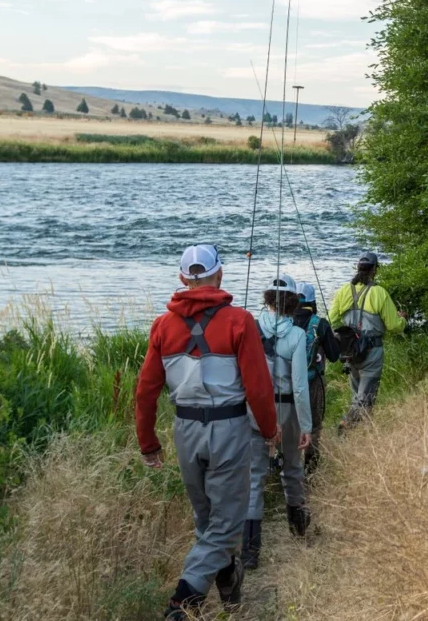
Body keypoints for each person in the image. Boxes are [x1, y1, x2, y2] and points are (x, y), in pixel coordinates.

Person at [135, 244, 279, 621]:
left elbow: (145, 391)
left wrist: (149, 444)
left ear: (183, 279)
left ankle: (229, 580)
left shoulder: (162, 326)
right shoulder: (238, 321)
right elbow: (259, 387)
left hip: (185, 430)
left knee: (206, 521)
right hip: (229, 428)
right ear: (219, 274)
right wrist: (269, 429)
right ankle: (183, 603)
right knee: (225, 523)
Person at [243, 274, 313, 570]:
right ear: (293, 301)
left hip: (254, 410)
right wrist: (306, 425)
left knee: (255, 477)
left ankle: (250, 553)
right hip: (286, 408)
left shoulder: (250, 327)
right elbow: (299, 386)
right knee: (293, 467)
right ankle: (297, 530)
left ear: (267, 298)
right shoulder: (296, 335)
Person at [329, 252, 406, 431]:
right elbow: (394, 326)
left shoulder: (343, 291)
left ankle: (363, 434)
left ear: (358, 268)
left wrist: (346, 333)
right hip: (372, 351)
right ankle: (345, 425)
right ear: (374, 270)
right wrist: (402, 320)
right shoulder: (379, 293)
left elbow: (332, 319)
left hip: (350, 351)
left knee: (357, 395)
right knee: (366, 398)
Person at [293, 281, 340, 472]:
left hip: (287, 383)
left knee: (290, 425)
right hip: (314, 382)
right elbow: (335, 356)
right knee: (313, 427)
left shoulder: (284, 321)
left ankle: (286, 466)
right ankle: (310, 470)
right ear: (312, 301)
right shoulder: (319, 324)